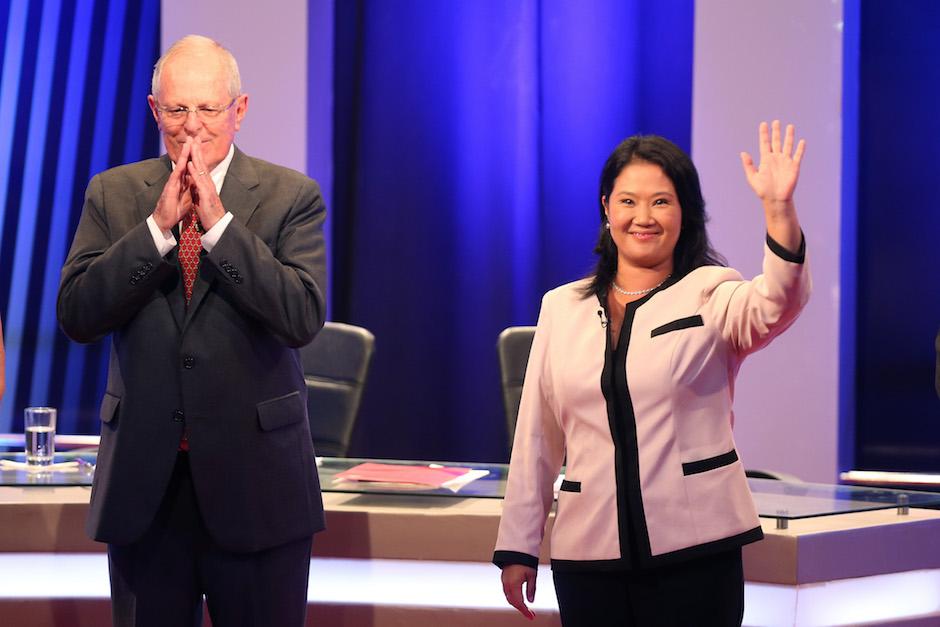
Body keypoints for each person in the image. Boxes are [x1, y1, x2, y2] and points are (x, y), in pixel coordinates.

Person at [493, 121, 811, 626]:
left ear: (685, 212)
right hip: (588, 555)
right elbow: (537, 436)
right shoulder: (562, 306)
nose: (644, 217)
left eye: (661, 201)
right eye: (628, 201)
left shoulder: (711, 291)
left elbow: (778, 302)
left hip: (696, 555)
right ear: (606, 208)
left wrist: (778, 210)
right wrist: (518, 545)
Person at [57, 35, 326, 627]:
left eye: (208, 110)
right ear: (155, 111)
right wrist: (157, 228)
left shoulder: (290, 197)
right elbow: (77, 313)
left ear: (240, 110)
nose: (193, 128)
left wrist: (220, 226)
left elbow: (302, 317)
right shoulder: (114, 193)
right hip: (145, 491)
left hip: (258, 487)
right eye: (177, 111)